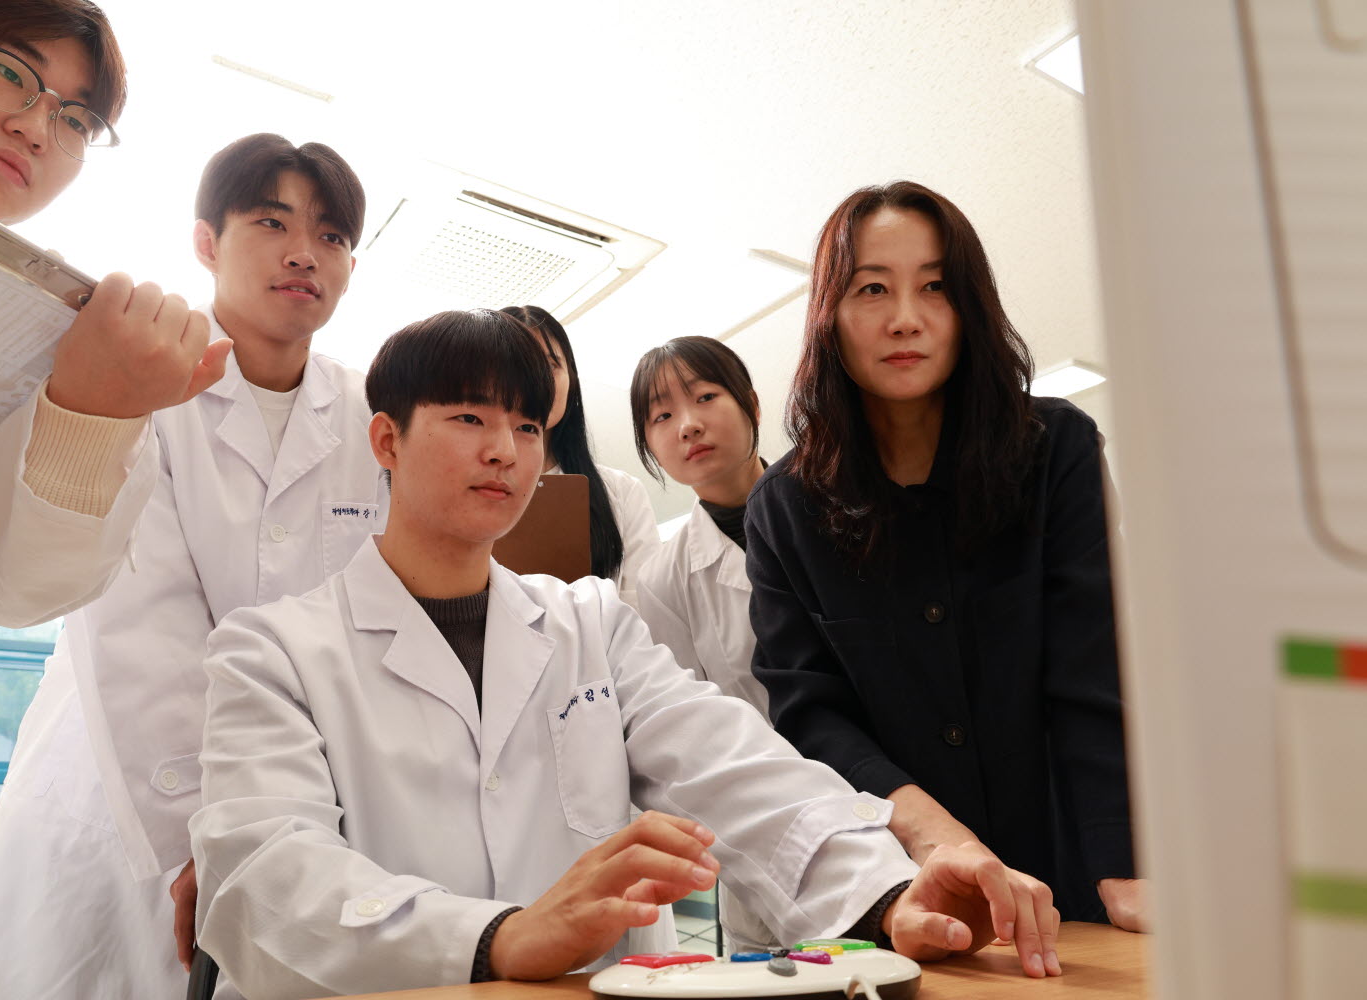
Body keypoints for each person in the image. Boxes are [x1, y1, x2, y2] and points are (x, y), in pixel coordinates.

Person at [190, 308, 1062, 1000]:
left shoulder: (590, 622)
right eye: (467, 417)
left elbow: (738, 769)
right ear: (386, 441)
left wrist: (887, 891)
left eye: (527, 425)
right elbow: (262, 876)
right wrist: (496, 937)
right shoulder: (272, 651)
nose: (504, 450)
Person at [0, 134, 384, 999]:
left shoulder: (371, 413)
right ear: (206, 242)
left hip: (302, 797)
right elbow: (139, 626)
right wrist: (199, 833)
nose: (304, 253)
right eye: (273, 222)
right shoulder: (142, 367)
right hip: (123, 781)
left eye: (331, 236)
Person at [0, 2, 228, 991]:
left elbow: (9, 587)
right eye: (8, 69)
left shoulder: (55, 338)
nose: (36, 126)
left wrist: (93, 409)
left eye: (74, 117)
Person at [746, 181, 1146, 935]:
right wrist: (937, 839)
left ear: (970, 306)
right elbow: (811, 713)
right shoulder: (785, 507)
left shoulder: (1054, 450)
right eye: (872, 288)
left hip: (1073, 866)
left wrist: (1119, 863)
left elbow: (1090, 670)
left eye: (935, 286)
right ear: (829, 315)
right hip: (905, 884)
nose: (906, 317)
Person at [629, 336, 769, 715]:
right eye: (662, 416)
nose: (688, 426)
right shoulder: (661, 581)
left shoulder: (835, 503)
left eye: (705, 397)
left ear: (752, 405)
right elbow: (698, 717)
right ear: (650, 447)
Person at [499, 305, 658, 605]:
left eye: (549, 365)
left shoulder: (622, 492)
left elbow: (642, 609)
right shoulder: (462, 487)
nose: (537, 380)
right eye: (517, 366)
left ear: (570, 378)